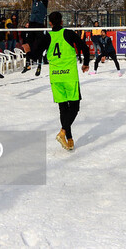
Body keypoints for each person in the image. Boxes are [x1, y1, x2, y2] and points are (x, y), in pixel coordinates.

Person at [32, 11, 90, 151]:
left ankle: (69, 139)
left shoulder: (47, 37)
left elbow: (35, 56)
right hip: (69, 76)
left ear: (50, 23)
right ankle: (63, 132)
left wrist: (28, 51)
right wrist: (85, 63)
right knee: (74, 108)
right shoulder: (69, 33)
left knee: (63, 108)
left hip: (56, 77)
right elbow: (85, 48)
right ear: (62, 22)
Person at [23, 0, 48, 75]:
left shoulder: (45, 1)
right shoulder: (34, 0)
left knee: (40, 44)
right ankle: (27, 63)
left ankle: (39, 63)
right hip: (32, 24)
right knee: (26, 43)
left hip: (39, 25)